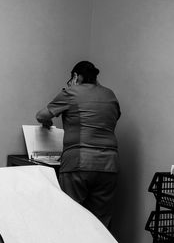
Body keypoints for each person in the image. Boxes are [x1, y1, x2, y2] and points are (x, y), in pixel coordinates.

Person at [36, 61, 121, 229]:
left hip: (79, 162)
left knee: (70, 214)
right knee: (100, 221)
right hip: (109, 164)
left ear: (75, 76)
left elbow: (41, 115)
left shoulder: (71, 92)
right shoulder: (110, 95)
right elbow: (114, 117)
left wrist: (48, 122)